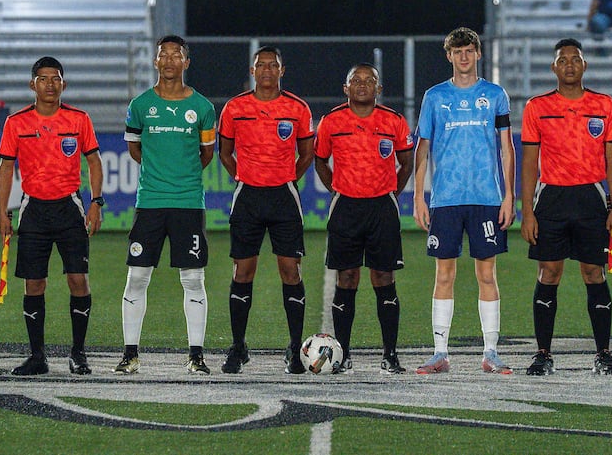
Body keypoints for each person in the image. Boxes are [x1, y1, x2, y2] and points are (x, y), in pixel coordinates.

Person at [413, 27, 516, 376]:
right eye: (457, 51)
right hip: (446, 198)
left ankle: (491, 352)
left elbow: (506, 148)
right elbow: (422, 150)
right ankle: (440, 352)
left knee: (487, 274)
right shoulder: (434, 97)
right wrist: (419, 197)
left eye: (469, 50)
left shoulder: (495, 95)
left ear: (478, 54)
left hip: (486, 197)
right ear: (448, 56)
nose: (464, 57)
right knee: (444, 274)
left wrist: (508, 194)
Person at [520, 38, 612, 377]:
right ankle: (542, 354)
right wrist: (528, 212)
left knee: (594, 273)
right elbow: (530, 163)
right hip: (551, 199)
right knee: (548, 273)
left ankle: (604, 354)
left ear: (584, 65)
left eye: (575, 59)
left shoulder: (605, 105)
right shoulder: (537, 107)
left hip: (591, 200)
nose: (568, 64)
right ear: (553, 67)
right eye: (562, 60)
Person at [113, 35, 217, 376]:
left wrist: (180, 176)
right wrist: (160, 175)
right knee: (138, 276)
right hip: (151, 203)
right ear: (155, 61)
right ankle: (130, 354)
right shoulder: (140, 105)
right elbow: (135, 150)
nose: (170, 60)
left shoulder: (202, 107)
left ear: (186, 63)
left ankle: (197, 356)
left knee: (193, 279)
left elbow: (205, 155)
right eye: (164, 55)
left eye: (177, 55)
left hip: (188, 203)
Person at [0, 56, 104, 376]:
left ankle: (78, 353)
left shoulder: (79, 119)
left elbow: (94, 161)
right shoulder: (16, 123)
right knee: (34, 284)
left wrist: (96, 202)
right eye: (42, 79)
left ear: (63, 84)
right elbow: (6, 168)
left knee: (78, 281)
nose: (49, 84)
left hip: (69, 207)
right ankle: (37, 356)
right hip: (34, 210)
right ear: (33, 84)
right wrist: (3, 212)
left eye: (55, 78)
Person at [218, 46, 314, 374]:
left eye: (274, 66)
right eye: (262, 66)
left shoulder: (297, 108)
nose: (268, 71)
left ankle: (294, 347)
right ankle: (238, 346)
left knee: (290, 269)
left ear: (282, 71)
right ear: (252, 70)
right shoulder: (235, 108)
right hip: (248, 197)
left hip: (284, 197)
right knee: (243, 271)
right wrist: (245, 177)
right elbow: (225, 152)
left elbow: (306, 153)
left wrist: (285, 178)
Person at [314, 63, 414, 374]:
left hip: (381, 208)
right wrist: (339, 190)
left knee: (384, 278)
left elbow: (406, 163)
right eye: (355, 80)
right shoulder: (331, 121)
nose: (362, 85)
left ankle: (391, 354)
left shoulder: (394, 121)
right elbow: (320, 161)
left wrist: (389, 194)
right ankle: (342, 354)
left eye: (369, 80)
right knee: (347, 278)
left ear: (378, 89)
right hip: (347, 208)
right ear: (345, 88)